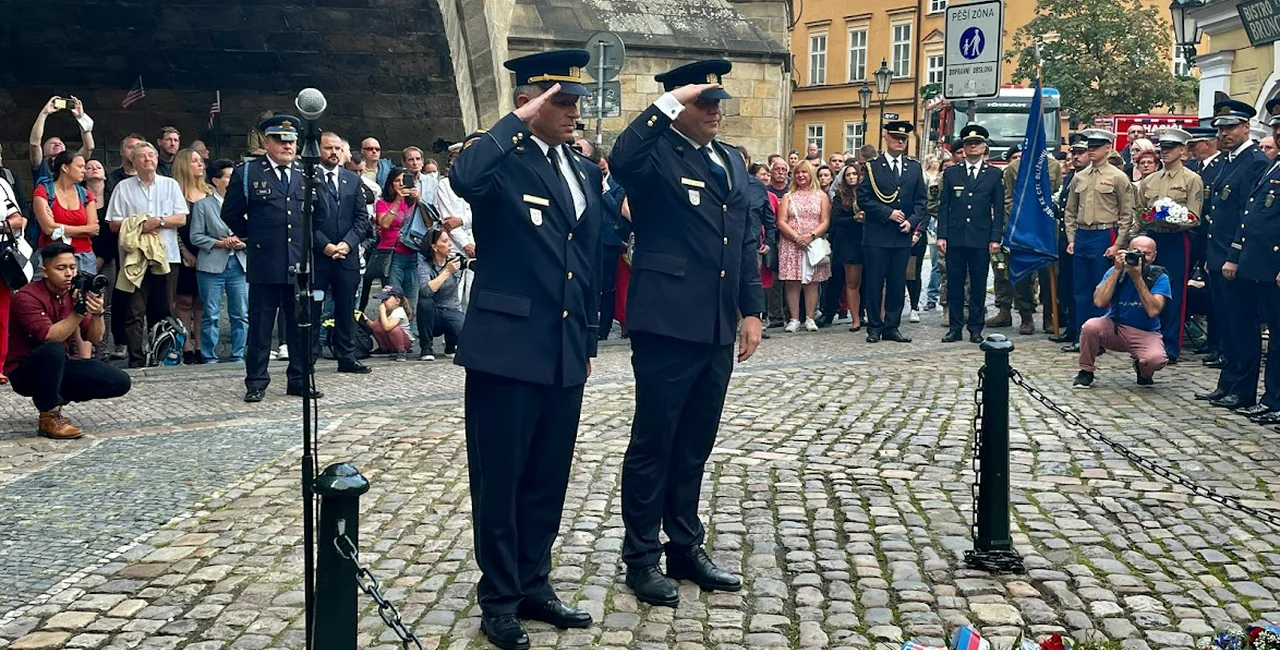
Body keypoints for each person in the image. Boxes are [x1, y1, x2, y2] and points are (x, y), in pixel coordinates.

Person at [449, 49, 602, 650]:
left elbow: (587, 260)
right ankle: (500, 596)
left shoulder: (581, 169)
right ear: (529, 102)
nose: (571, 111)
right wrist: (517, 120)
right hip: (507, 345)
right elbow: (464, 177)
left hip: (563, 345)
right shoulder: (501, 163)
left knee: (547, 475)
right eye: (559, 101)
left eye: (573, 102)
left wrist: (588, 335)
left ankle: (535, 580)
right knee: (502, 475)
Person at [610, 58, 764, 609]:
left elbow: (744, 239)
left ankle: (684, 545)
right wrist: (669, 102)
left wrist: (751, 309)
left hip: (716, 324)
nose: (715, 111)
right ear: (678, 104)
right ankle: (641, 557)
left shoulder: (728, 161)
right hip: (667, 321)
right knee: (654, 442)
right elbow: (622, 157)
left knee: (695, 443)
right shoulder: (654, 155)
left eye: (719, 101)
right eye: (704, 101)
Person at [221, 115, 319, 403]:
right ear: (267, 142)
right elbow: (231, 212)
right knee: (261, 327)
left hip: (299, 263)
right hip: (265, 261)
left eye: (291, 140)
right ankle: (256, 381)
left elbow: (318, 214)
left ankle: (299, 379)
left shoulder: (305, 173)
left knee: (300, 326)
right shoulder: (249, 173)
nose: (287, 145)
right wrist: (255, 236)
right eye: (280, 140)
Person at [7, 242, 131, 439]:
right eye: (61, 268)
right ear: (44, 272)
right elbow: (49, 336)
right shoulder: (26, 296)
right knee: (54, 348)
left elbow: (95, 338)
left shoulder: (72, 294)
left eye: (72, 268)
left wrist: (97, 313)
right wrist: (79, 311)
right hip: (24, 371)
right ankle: (49, 416)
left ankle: (55, 397)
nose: (69, 274)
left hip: (58, 365)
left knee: (119, 381)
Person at [1194, 100, 1271, 408]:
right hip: (1217, 255)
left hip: (1234, 259)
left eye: (1230, 127)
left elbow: (1246, 217)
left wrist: (1234, 256)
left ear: (1245, 127)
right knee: (1226, 325)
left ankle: (1242, 388)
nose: (1223, 133)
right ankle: (1227, 382)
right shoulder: (1228, 161)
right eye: (1221, 129)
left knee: (1242, 325)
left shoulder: (1253, 162)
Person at [1218, 100, 1280, 425]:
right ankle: (1271, 399)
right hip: (1259, 265)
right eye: (1276, 128)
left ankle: (1272, 399)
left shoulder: (1259, 161)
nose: (1279, 134)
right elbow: (1250, 215)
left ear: (1245, 127)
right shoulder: (1273, 165)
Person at [105, 142, 188, 368]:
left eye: (151, 155)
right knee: (134, 310)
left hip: (167, 257)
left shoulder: (170, 185)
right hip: (135, 258)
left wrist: (158, 221)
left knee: (164, 309)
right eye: (142, 156)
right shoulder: (123, 187)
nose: (148, 159)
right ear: (133, 161)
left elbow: (181, 218)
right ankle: (136, 358)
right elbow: (113, 223)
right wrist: (141, 224)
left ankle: (163, 356)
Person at [1131, 128, 1204, 363]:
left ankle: (1171, 344)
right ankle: (1146, 341)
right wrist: (1144, 220)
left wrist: (1174, 220)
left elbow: (1195, 216)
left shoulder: (1191, 179)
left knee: (1174, 291)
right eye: (1162, 148)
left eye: (1171, 148)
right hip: (1152, 238)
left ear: (1182, 151)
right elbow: (1140, 209)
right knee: (1146, 287)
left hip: (1175, 239)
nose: (1166, 152)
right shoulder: (1149, 180)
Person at [1062, 129, 1134, 352]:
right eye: (1089, 147)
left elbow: (1127, 213)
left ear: (1107, 148)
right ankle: (1083, 336)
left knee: (1102, 287)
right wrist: (1071, 238)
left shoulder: (1118, 177)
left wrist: (1118, 244)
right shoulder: (1079, 176)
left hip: (1105, 234)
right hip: (1083, 234)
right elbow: (1070, 211)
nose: (1091, 151)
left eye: (1096, 147)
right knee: (1080, 289)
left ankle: (1102, 337)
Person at [857, 121, 928, 343]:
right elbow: (864, 198)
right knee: (875, 283)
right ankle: (874, 327)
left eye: (904, 139)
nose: (900, 142)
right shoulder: (873, 166)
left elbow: (921, 201)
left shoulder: (914, 167)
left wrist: (911, 221)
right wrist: (887, 213)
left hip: (901, 234)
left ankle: (892, 326)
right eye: (896, 137)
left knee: (898, 283)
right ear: (886, 138)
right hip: (878, 234)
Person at [1073, 236, 1169, 388]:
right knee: (1090, 326)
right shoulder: (1115, 271)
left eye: (1147, 253)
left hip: (1145, 331)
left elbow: (1153, 311)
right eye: (1137, 252)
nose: (1141, 257)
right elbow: (1099, 302)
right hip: (1115, 327)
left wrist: (1137, 278)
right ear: (1127, 252)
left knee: (1156, 360)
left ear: (1155, 256)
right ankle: (1086, 370)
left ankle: (1143, 371)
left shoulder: (1159, 277)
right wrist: (1117, 270)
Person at [314, 131, 373, 375]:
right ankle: (309, 356)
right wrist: (324, 245)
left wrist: (348, 244)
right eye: (329, 148)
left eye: (338, 148)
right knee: (314, 306)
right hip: (319, 255)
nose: (334, 153)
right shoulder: (308, 178)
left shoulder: (351, 179)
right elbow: (302, 219)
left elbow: (362, 218)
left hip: (346, 255)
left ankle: (347, 355)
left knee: (347, 306)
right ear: (319, 150)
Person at [938, 125, 1003, 343]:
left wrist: (995, 238)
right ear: (963, 148)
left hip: (981, 237)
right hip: (956, 236)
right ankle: (955, 327)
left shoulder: (994, 175)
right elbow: (943, 206)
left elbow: (999, 209)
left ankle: (976, 327)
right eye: (968, 144)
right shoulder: (951, 173)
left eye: (976, 143)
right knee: (955, 283)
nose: (972, 147)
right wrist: (942, 235)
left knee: (978, 284)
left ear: (984, 148)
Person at [190, 159, 248, 363]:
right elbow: (196, 236)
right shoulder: (203, 205)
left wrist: (243, 242)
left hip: (240, 263)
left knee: (240, 313)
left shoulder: (245, 203)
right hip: (212, 265)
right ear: (216, 180)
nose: (233, 181)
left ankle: (238, 354)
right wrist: (220, 243)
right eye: (228, 177)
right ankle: (209, 356)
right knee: (211, 314)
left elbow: (254, 232)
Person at [775, 160, 831, 332]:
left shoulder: (821, 196)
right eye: (798, 172)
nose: (801, 176)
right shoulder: (788, 196)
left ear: (810, 174)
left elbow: (825, 220)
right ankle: (793, 318)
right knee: (792, 281)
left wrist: (811, 236)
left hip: (812, 243)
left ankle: (809, 317)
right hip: (791, 243)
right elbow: (781, 221)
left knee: (812, 282)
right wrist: (796, 237)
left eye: (804, 172)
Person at [171, 148, 210, 363]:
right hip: (183, 251)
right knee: (184, 300)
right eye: (195, 161)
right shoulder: (175, 192)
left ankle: (201, 345)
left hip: (207, 251)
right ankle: (185, 344)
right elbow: (174, 228)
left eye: (200, 161)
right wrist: (184, 252)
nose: (200, 164)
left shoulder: (209, 192)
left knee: (202, 301)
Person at [416, 227, 466, 361]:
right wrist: (446, 272)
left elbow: (473, 263)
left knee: (463, 328)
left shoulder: (456, 262)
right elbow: (426, 291)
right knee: (424, 302)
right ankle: (426, 347)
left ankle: (451, 346)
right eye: (445, 241)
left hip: (452, 310)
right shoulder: (424, 266)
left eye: (449, 241)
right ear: (434, 247)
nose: (449, 244)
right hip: (433, 314)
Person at [28, 96, 96, 186]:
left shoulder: (72, 161)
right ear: (43, 151)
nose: (57, 143)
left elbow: (89, 147)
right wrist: (44, 113)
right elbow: (34, 143)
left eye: (60, 143)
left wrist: (81, 118)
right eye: (52, 143)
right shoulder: (41, 164)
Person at [829, 163, 864, 332]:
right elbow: (835, 221)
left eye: (854, 174)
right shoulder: (839, 196)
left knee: (871, 281)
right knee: (852, 282)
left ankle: (868, 315)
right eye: (848, 174)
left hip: (867, 240)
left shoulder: (867, 193)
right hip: (849, 242)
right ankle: (855, 318)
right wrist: (854, 218)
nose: (851, 177)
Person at [0, 175, 28, 384]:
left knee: (1, 314)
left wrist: (2, 225)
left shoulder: (1, 185)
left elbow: (19, 219)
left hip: (1, 254)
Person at [369, 285, 414, 361]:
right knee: (377, 325)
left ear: (397, 301)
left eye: (386, 299)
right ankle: (384, 348)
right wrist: (365, 319)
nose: (383, 302)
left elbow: (387, 327)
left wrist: (382, 312)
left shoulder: (399, 311)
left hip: (404, 342)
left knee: (394, 329)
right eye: (382, 300)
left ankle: (402, 351)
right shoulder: (387, 310)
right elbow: (376, 326)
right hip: (391, 340)